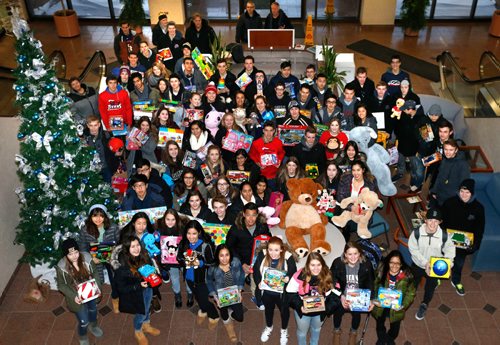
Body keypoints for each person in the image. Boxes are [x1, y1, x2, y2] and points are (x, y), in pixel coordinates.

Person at [408, 208, 455, 320]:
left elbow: (450, 248)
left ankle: (424, 304)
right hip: (418, 265)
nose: (433, 224)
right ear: (425, 220)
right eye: (430, 220)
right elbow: (413, 250)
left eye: (436, 221)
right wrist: (425, 263)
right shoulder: (416, 233)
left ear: (440, 222)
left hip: (435, 267)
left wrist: (447, 263)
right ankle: (408, 298)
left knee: (430, 287)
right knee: (412, 283)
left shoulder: (444, 235)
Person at [113, 236, 161, 344]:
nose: (136, 249)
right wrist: (138, 285)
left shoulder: (144, 255)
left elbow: (150, 268)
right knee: (141, 313)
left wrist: (154, 274)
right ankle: (138, 330)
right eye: (132, 247)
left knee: (148, 306)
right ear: (127, 249)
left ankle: (146, 325)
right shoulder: (122, 266)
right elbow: (121, 288)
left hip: (147, 288)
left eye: (137, 245)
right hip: (135, 293)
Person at [441, 179, 485, 296]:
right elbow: (442, 221)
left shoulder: (479, 209)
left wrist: (476, 244)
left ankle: (456, 280)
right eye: (462, 191)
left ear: (472, 193)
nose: (464, 195)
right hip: (448, 240)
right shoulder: (449, 203)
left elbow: (479, 229)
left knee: (459, 263)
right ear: (458, 191)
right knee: (442, 259)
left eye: (467, 192)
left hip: (463, 244)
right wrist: (442, 235)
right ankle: (437, 277)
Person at [56, 239, 103, 345]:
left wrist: (97, 286)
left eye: (76, 252)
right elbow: (61, 285)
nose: (74, 256)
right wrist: (73, 296)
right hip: (77, 297)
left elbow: (95, 272)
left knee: (93, 310)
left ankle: (94, 325)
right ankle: (82, 336)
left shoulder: (86, 258)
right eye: (70, 254)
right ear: (66, 255)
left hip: (91, 293)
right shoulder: (62, 267)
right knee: (83, 321)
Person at [286, 252, 338, 345]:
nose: (316, 268)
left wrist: (327, 308)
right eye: (312, 265)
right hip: (303, 311)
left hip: (321, 311)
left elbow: (336, 295)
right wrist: (300, 306)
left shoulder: (329, 275)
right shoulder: (299, 275)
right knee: (302, 332)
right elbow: (289, 294)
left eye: (319, 265)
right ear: (307, 265)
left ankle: (314, 343)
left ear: (323, 264)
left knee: (317, 329)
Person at [253, 237, 297, 345]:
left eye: (276, 250)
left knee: (284, 311)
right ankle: (269, 327)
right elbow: (256, 271)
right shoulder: (262, 256)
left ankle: (284, 330)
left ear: (282, 249)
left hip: (282, 293)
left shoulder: (288, 258)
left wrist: (288, 278)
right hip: (267, 292)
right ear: (267, 249)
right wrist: (259, 282)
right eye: (270, 249)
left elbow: (293, 272)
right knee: (268, 310)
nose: (273, 253)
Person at [176, 220, 220, 329]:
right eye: (188, 233)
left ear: (199, 232)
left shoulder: (206, 246)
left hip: (202, 280)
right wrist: (183, 259)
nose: (191, 237)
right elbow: (179, 258)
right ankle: (203, 310)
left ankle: (214, 316)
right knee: (198, 297)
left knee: (204, 300)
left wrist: (200, 263)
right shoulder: (184, 243)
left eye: (194, 233)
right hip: (189, 278)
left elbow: (212, 263)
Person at [77, 204, 120, 313]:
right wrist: (91, 257)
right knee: (97, 279)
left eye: (101, 216)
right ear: (90, 217)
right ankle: (94, 300)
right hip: (94, 257)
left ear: (105, 217)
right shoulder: (85, 230)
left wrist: (113, 252)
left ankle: (116, 298)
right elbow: (82, 247)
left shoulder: (113, 227)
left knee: (114, 277)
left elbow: (120, 243)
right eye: (95, 216)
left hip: (110, 255)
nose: (98, 219)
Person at [331, 242, 375, 345]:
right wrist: (340, 296)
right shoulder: (338, 263)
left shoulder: (366, 264)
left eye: (355, 253)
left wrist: (371, 299)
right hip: (343, 295)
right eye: (350, 254)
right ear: (345, 254)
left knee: (356, 315)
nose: (353, 257)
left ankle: (353, 333)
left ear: (360, 253)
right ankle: (336, 331)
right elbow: (331, 282)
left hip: (359, 296)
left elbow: (370, 282)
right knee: (338, 313)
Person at [372, 250, 416, 345]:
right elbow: (374, 286)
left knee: (395, 327)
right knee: (379, 323)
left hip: (396, 307)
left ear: (401, 264)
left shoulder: (407, 276)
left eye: (397, 263)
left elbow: (411, 293)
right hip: (381, 305)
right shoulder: (381, 271)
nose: (394, 265)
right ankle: (381, 337)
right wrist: (375, 300)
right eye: (391, 262)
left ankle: (389, 338)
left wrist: (403, 305)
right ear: (388, 262)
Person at [207, 244, 246, 343]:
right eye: (221, 255)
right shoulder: (213, 267)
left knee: (240, 317)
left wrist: (240, 291)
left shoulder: (236, 262)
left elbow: (241, 274)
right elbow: (209, 280)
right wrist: (215, 298)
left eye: (227, 255)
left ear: (230, 255)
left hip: (234, 292)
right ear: (217, 256)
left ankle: (231, 314)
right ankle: (229, 327)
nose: (224, 259)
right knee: (224, 314)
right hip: (221, 295)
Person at [155, 209, 193, 308]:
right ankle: (177, 295)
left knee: (188, 276)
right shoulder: (160, 230)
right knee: (174, 277)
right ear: (164, 219)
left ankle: (190, 293)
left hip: (184, 257)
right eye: (168, 219)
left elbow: (189, 243)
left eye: (173, 219)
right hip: (170, 260)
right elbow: (158, 246)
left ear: (177, 220)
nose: (170, 222)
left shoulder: (183, 228)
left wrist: (188, 258)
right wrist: (162, 259)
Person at [226, 202, 272, 283]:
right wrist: (242, 263)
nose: (251, 218)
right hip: (241, 258)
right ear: (243, 214)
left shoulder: (262, 226)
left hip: (257, 257)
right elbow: (229, 247)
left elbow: (269, 240)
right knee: (234, 263)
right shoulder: (236, 228)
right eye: (248, 215)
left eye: (253, 215)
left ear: (257, 215)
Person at [336, 160, 377, 242]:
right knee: (347, 225)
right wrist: (351, 207)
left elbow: (373, 200)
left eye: (358, 170)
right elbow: (339, 197)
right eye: (353, 170)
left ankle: (362, 241)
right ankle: (345, 241)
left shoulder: (370, 182)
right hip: (348, 208)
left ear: (363, 170)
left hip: (363, 212)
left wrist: (364, 210)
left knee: (361, 224)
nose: (356, 173)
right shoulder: (345, 179)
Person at [429, 139, 470, 207]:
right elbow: (439, 176)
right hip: (439, 195)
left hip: (451, 199)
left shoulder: (463, 165)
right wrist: (434, 191)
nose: (447, 152)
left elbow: (464, 184)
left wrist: (456, 200)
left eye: (451, 150)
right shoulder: (444, 159)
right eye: (446, 149)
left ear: (456, 150)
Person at [248, 121, 286, 190]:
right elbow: (251, 155)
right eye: (266, 130)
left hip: (274, 176)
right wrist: (258, 164)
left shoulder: (278, 142)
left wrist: (279, 161)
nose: (268, 133)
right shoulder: (256, 143)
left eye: (271, 131)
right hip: (261, 177)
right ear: (263, 131)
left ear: (274, 131)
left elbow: (281, 153)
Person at [82, 114, 115, 182]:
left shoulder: (107, 135)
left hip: (106, 167)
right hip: (92, 169)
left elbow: (113, 151)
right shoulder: (84, 138)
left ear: (99, 125)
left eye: (95, 125)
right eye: (91, 125)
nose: (93, 128)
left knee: (108, 188)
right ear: (88, 126)